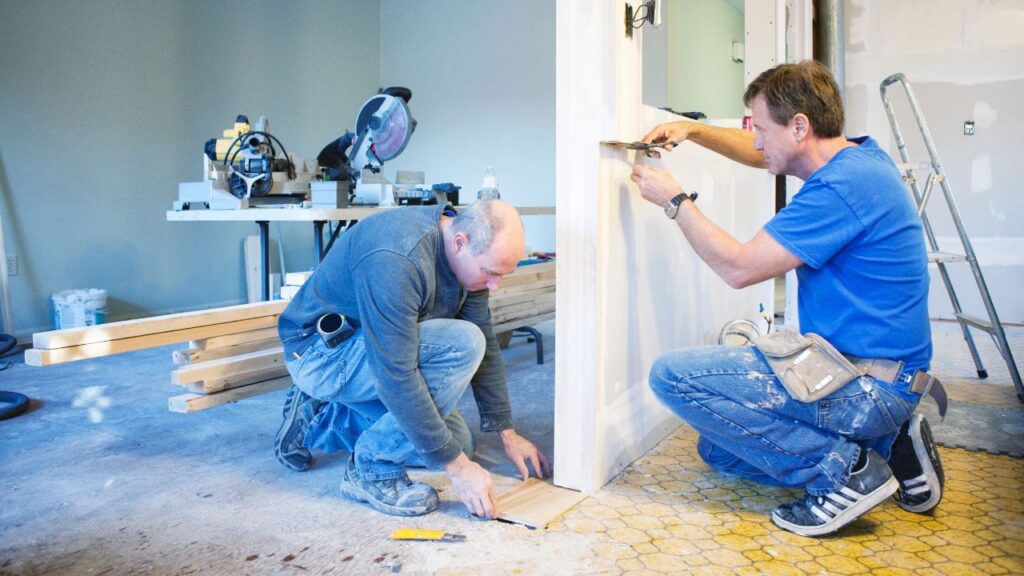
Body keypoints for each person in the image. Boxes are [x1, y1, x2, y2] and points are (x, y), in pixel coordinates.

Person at [629, 60, 945, 537]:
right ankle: (888, 447)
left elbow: (738, 268)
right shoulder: (858, 159)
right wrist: (693, 130)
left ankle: (847, 471)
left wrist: (675, 200)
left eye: (761, 128)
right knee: (717, 449)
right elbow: (767, 154)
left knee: (671, 377)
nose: (755, 141)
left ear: (800, 126)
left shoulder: (840, 188)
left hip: (865, 382)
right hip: (872, 369)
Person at [274, 199, 550, 518]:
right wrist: (459, 470)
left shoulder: (469, 259)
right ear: (461, 242)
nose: (495, 285)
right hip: (321, 355)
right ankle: (371, 469)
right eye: (490, 273)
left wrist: (507, 432)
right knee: (462, 344)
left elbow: (487, 342)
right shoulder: (396, 257)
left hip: (372, 351)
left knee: (457, 441)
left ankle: (323, 416)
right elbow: (396, 375)